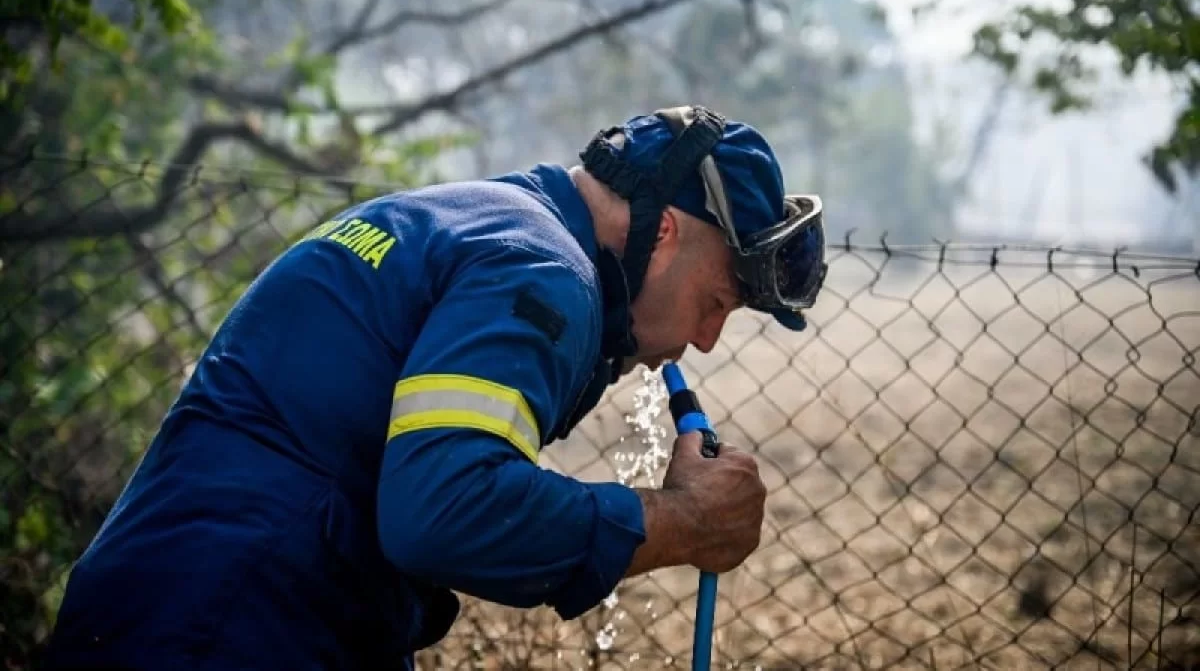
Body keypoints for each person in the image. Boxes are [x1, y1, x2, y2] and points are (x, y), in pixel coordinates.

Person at [40, 105, 827, 670]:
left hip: (160, 603)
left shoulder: (475, 218)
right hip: (232, 626)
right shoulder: (545, 273)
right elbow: (444, 510)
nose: (705, 338)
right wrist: (680, 521)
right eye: (716, 300)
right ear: (666, 232)